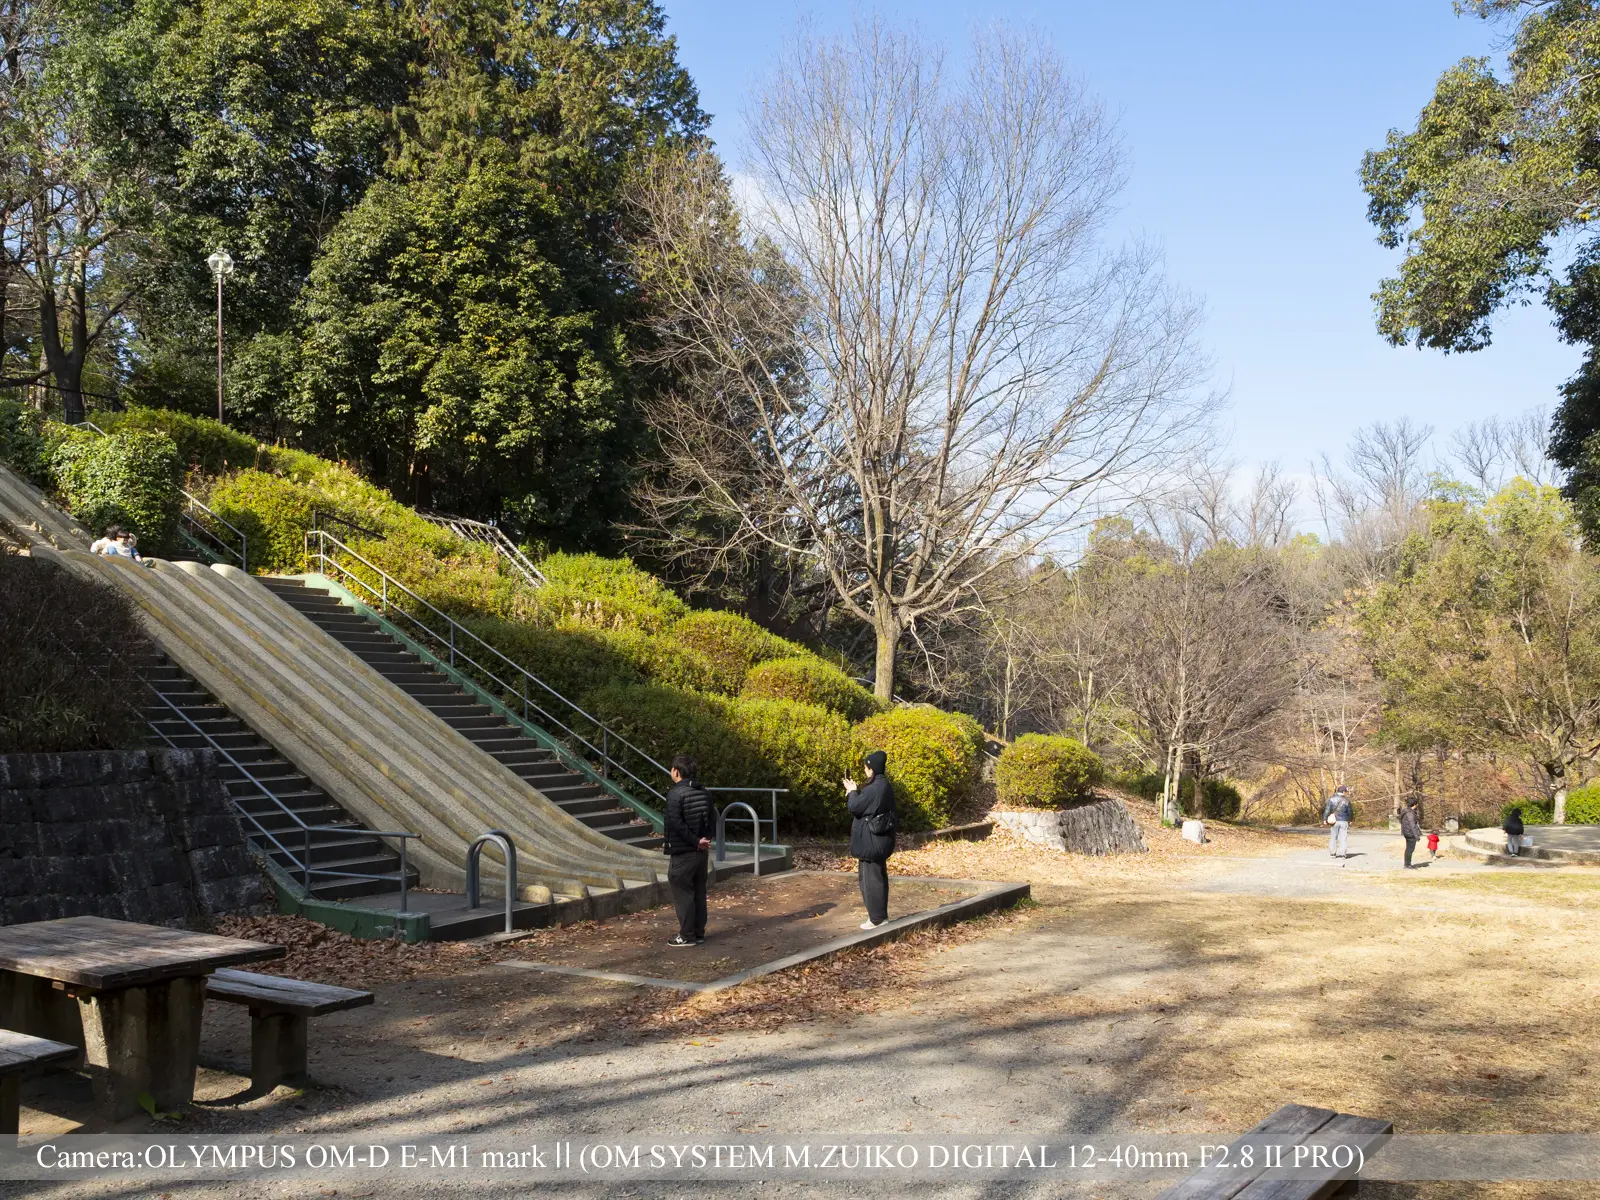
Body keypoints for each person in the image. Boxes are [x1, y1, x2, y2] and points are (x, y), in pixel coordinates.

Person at [662, 753, 713, 948]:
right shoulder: (705, 793)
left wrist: (695, 842)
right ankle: (698, 932)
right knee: (699, 892)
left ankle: (686, 935)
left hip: (683, 852)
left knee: (684, 894)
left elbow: (676, 823)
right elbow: (712, 819)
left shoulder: (675, 794)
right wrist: (705, 840)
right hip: (701, 852)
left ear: (676, 771)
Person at [845, 749, 896, 930]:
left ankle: (876, 919)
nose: (865, 770)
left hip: (871, 842)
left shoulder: (874, 789)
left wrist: (851, 791)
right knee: (878, 878)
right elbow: (867, 806)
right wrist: (857, 791)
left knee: (870, 880)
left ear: (871, 768)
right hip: (880, 840)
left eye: (866, 767)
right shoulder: (883, 786)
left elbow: (855, 807)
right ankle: (879, 916)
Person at [1323, 785, 1354, 859]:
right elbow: (1350, 811)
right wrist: (1350, 820)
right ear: (1343, 791)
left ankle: (1333, 854)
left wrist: (1325, 819)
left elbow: (1327, 810)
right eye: (1345, 792)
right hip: (1343, 821)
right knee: (1343, 838)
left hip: (1334, 821)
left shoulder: (1331, 799)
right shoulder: (1346, 800)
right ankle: (1343, 854)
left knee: (1333, 837)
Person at [1399, 797, 1422, 868]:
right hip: (1410, 833)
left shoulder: (1405, 811)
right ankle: (1407, 865)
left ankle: (1407, 864)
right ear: (1414, 804)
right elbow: (1413, 826)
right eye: (1417, 804)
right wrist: (1417, 836)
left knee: (1408, 849)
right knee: (1410, 849)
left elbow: (1401, 821)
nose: (1417, 805)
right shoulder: (1410, 813)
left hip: (1406, 832)